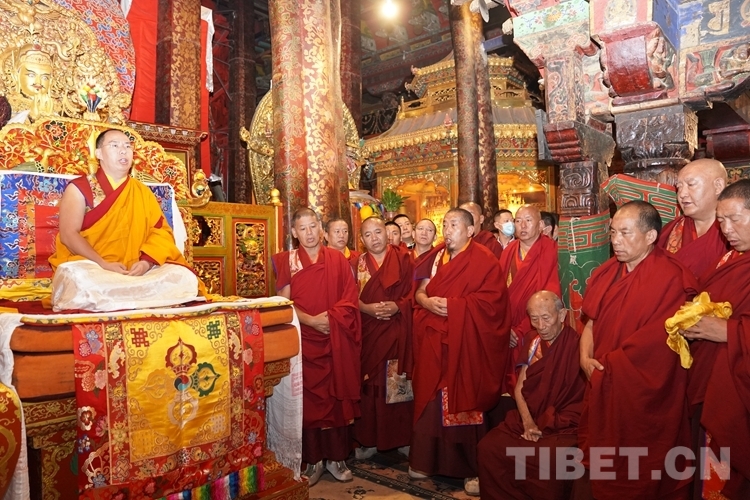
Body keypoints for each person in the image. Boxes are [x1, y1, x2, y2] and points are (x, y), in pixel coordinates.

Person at [575, 201, 698, 500]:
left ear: (651, 236)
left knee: (644, 466)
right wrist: (585, 358)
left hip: (643, 391)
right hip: (602, 381)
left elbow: (658, 341)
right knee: (606, 461)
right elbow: (591, 322)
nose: (616, 240)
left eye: (625, 233)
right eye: (613, 232)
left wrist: (609, 366)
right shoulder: (606, 273)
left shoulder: (670, 276)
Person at [410, 208, 511, 495]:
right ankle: (427, 461)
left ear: (470, 230)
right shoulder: (436, 257)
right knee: (431, 400)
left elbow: (493, 305)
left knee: (464, 401)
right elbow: (420, 292)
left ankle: (469, 468)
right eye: (445, 224)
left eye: (454, 224)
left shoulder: (484, 260)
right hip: (435, 339)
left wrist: (455, 307)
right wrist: (427, 303)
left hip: (466, 342)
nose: (447, 230)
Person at [271, 207, 362, 486]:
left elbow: (350, 298)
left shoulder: (337, 259)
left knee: (335, 399)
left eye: (313, 227)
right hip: (304, 340)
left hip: (335, 338)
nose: (309, 233)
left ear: (321, 229)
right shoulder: (288, 261)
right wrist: (311, 321)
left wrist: (332, 320)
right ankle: (313, 460)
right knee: (309, 403)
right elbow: (283, 304)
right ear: (294, 233)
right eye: (303, 228)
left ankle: (336, 458)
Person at [478, 291, 586, 500]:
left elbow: (578, 398)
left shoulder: (576, 345)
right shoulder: (532, 341)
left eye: (546, 318)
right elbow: (520, 387)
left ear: (562, 315)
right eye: (534, 319)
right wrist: (528, 423)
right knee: (489, 447)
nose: (541, 326)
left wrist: (544, 423)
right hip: (530, 417)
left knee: (553, 458)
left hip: (562, 423)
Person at [682, 179, 750, 498]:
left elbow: (726, 325)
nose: (727, 230)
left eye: (734, 219)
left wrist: (726, 331)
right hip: (715, 380)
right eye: (721, 221)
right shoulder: (729, 259)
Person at [51, 129, 193, 277]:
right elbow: (68, 235)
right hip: (91, 264)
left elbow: (160, 232)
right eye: (115, 145)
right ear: (99, 154)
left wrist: (146, 262)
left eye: (127, 146)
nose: (123, 151)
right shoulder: (80, 189)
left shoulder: (142, 192)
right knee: (87, 282)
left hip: (136, 266)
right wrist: (103, 264)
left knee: (182, 277)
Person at [353, 217, 414, 459]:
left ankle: (402, 438)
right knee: (370, 387)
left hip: (397, 332)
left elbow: (416, 293)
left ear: (387, 234)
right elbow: (347, 297)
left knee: (398, 384)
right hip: (369, 333)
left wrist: (398, 306)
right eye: (368, 235)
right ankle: (369, 440)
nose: (374, 238)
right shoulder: (356, 264)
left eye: (378, 232)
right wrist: (365, 308)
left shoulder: (404, 259)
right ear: (361, 239)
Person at [499, 205, 560, 390]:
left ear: (540, 225)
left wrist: (521, 329)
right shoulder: (508, 252)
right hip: (508, 329)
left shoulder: (550, 250)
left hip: (538, 327)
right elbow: (498, 293)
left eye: (528, 220)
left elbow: (551, 293)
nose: (523, 226)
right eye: (518, 221)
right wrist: (505, 327)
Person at [657, 158, 729, 280]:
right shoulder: (670, 230)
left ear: (718, 186)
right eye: (679, 187)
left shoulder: (738, 230)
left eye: (691, 185)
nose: (682, 194)